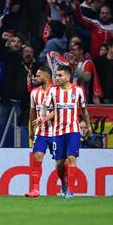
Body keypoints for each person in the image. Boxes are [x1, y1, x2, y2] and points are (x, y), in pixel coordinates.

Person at [38, 65, 92, 198]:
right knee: (59, 163)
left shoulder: (78, 90)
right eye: (56, 75)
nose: (57, 78)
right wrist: (42, 117)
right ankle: (64, 183)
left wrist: (89, 127)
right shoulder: (52, 91)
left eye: (60, 75)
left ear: (68, 77)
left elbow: (84, 109)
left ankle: (71, 191)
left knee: (72, 158)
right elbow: (45, 106)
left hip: (73, 130)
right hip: (57, 132)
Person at [25, 66, 54, 198]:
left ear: (46, 77)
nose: (35, 78)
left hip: (56, 132)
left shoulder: (57, 91)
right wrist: (31, 129)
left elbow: (60, 111)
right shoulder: (34, 92)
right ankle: (35, 190)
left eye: (38, 76)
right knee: (37, 157)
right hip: (41, 132)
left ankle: (65, 185)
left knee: (61, 162)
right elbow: (32, 111)